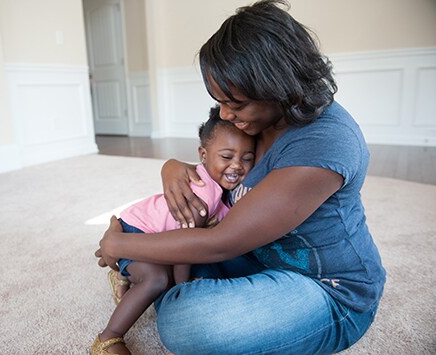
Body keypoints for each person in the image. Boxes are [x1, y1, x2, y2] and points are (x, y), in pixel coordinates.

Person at [95, 1, 386, 354]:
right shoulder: (258, 120)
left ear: (278, 85)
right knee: (177, 252)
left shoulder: (324, 141)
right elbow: (221, 167)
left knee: (187, 323)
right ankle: (156, 280)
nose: (225, 113)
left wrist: (118, 244)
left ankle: (152, 282)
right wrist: (171, 165)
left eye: (235, 102)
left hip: (330, 291)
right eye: (219, 101)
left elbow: (222, 242)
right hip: (257, 257)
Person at [91, 106, 255, 355]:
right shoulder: (204, 194)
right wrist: (182, 286)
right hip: (137, 230)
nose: (237, 166)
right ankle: (107, 339)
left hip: (150, 231)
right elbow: (185, 248)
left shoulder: (221, 193)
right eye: (227, 156)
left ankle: (122, 276)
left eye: (247, 158)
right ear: (203, 155)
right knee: (158, 280)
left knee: (168, 276)